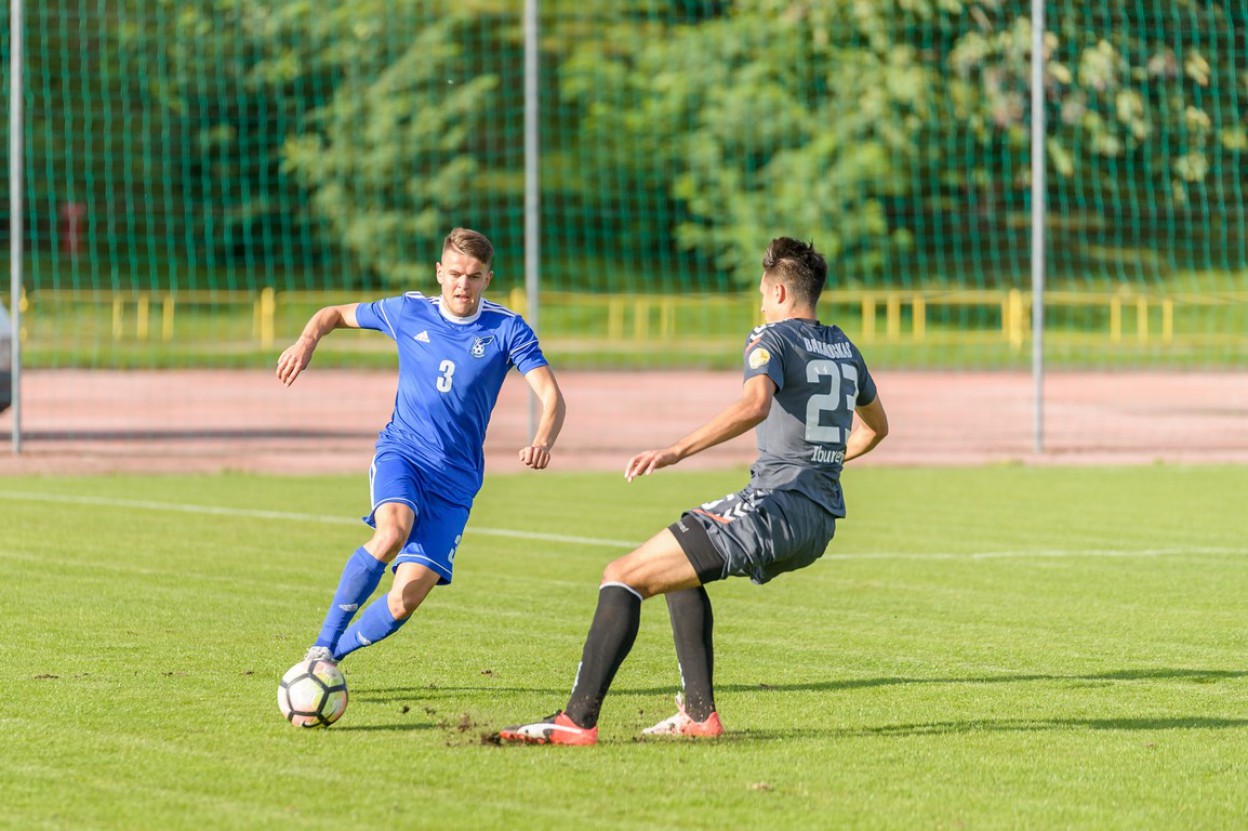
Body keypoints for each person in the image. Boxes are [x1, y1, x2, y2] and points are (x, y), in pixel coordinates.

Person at [496, 236, 888, 745]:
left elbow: (755, 406)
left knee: (622, 575)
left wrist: (675, 450)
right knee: (679, 564)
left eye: (763, 294)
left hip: (776, 506)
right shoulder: (844, 347)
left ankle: (576, 721)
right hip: (819, 521)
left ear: (779, 292)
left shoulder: (771, 337)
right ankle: (700, 717)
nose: (761, 304)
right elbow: (875, 429)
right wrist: (823, 464)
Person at [276, 227, 566, 667]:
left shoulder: (507, 328)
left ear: (487, 279)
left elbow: (552, 396)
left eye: (474, 276)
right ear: (439, 272)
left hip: (457, 479)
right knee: (392, 532)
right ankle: (320, 646)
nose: (463, 285)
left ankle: (330, 658)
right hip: (404, 453)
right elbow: (333, 313)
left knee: (404, 600)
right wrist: (306, 340)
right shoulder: (408, 311)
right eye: (455, 274)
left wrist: (542, 439)